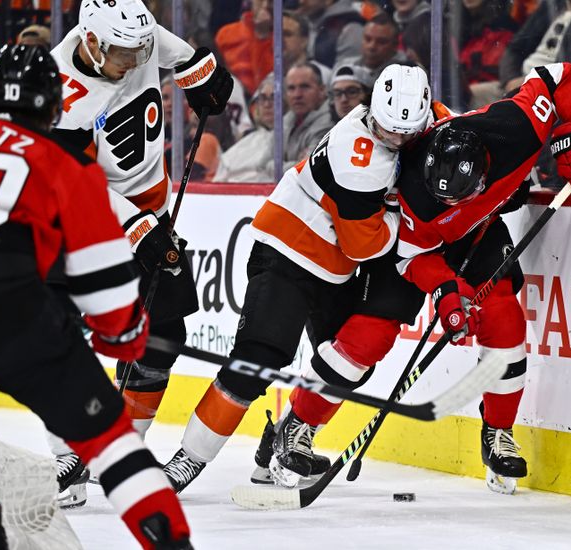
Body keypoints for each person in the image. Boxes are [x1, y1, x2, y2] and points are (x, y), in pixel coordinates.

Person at [261, 61, 571, 492]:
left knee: (503, 315)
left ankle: (498, 432)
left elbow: (559, 75)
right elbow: (410, 257)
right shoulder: (410, 190)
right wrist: (446, 293)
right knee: (368, 337)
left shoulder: (513, 128)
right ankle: (298, 425)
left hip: (477, 230)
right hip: (415, 241)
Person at [0, 44, 192, 550]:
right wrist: (127, 336)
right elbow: (103, 289)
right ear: (54, 104)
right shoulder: (63, 164)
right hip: (16, 316)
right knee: (111, 443)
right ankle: (171, 544)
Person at [162, 64, 435, 493]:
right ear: (374, 114)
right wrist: (410, 220)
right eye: (388, 130)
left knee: (347, 359)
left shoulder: (402, 118)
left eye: (407, 132)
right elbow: (365, 247)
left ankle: (286, 437)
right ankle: (187, 459)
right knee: (259, 358)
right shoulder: (359, 157)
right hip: (289, 252)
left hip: (335, 269)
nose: (396, 140)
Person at [48, 0, 233, 506]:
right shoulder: (61, 92)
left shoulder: (135, 34)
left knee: (163, 332)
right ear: (90, 41)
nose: (134, 61)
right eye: (122, 55)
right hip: (81, 221)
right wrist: (133, 226)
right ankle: (69, 450)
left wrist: (203, 74)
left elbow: (172, 52)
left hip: (150, 206)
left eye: (139, 50)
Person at [212, 75, 277, 183]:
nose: (267, 104)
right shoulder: (243, 144)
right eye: (262, 98)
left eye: (274, 98)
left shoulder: (290, 140)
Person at [283, 62, 335, 166]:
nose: (297, 95)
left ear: (322, 90)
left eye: (304, 87)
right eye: (291, 88)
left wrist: (279, 165)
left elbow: (307, 169)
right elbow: (264, 164)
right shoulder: (285, 120)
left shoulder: (329, 123)